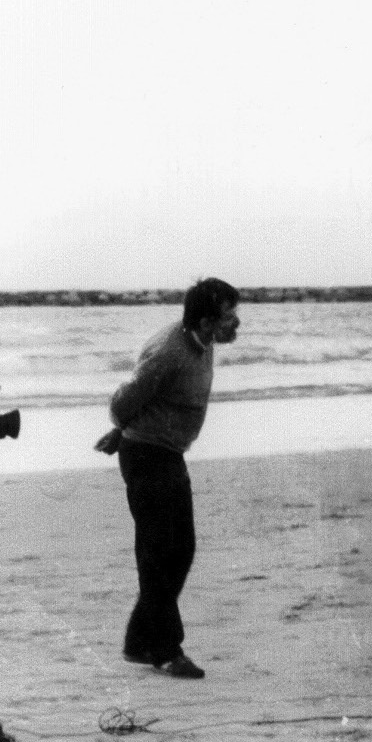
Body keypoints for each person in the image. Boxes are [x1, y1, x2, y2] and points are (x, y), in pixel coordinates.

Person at [96, 278, 241, 679]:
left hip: (164, 451)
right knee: (167, 551)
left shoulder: (203, 343)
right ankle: (163, 649)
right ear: (208, 320)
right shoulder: (167, 352)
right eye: (230, 317)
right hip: (147, 455)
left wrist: (123, 431)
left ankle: (140, 643)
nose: (237, 324)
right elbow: (123, 400)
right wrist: (123, 429)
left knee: (170, 551)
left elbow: (157, 401)